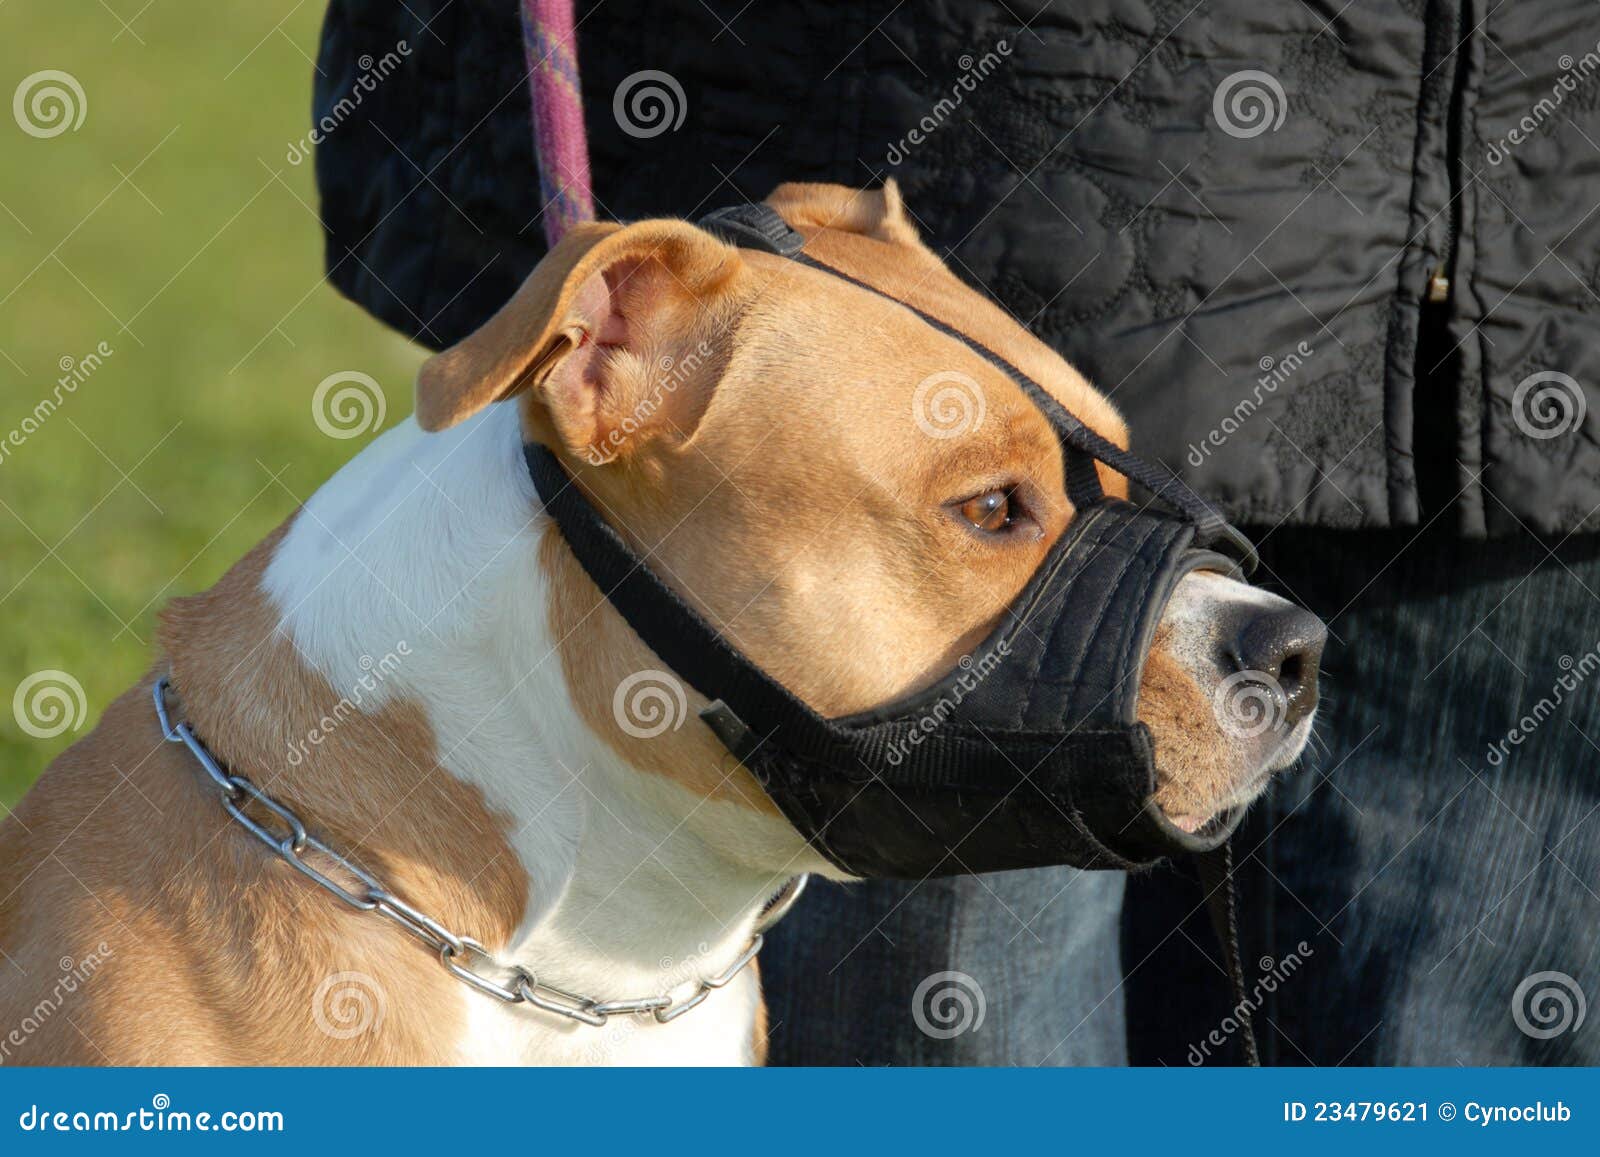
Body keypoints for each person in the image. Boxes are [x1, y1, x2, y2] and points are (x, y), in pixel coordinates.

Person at [311, 0, 1600, 1064]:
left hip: (1538, 280)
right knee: (953, 1029)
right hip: (1012, 115)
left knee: (1457, 1046)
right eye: (994, 508)